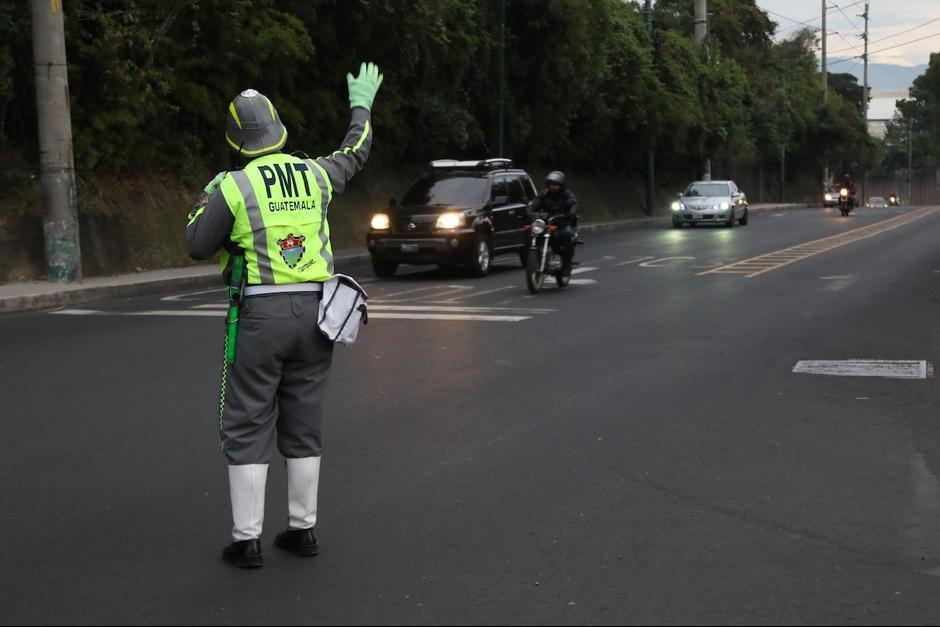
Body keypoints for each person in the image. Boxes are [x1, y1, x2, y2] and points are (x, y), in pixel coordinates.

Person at [185, 62, 383, 569]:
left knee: (248, 419)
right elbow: (354, 152)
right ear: (278, 129)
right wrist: (361, 103)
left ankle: (247, 540)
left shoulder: (233, 185)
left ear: (235, 140)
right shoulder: (314, 172)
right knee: (303, 418)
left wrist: (209, 196)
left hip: (259, 315)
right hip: (317, 314)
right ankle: (303, 530)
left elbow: (197, 244)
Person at [527, 171, 578, 272]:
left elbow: (574, 204)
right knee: (533, 232)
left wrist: (570, 212)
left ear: (561, 185)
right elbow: (533, 205)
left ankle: (567, 264)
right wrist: (532, 212)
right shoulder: (543, 195)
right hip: (547, 223)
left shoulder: (567, 195)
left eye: (556, 185)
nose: (553, 187)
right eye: (551, 184)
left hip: (562, 223)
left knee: (567, 234)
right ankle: (537, 256)